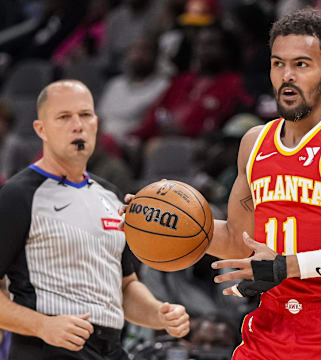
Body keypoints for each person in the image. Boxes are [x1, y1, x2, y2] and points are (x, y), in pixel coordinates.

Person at [202, 8, 321, 359]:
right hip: (269, 330)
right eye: (278, 64)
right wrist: (153, 223)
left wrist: (287, 266)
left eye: (301, 65)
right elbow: (237, 242)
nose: (287, 76)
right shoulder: (254, 143)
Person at [0, 79, 190, 360]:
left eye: (85, 115)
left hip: (111, 348)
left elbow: (125, 286)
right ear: (41, 129)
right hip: (46, 349)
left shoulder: (111, 195)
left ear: (96, 123)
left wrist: (159, 314)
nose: (78, 125)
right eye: (64, 117)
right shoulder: (18, 195)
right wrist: (42, 325)